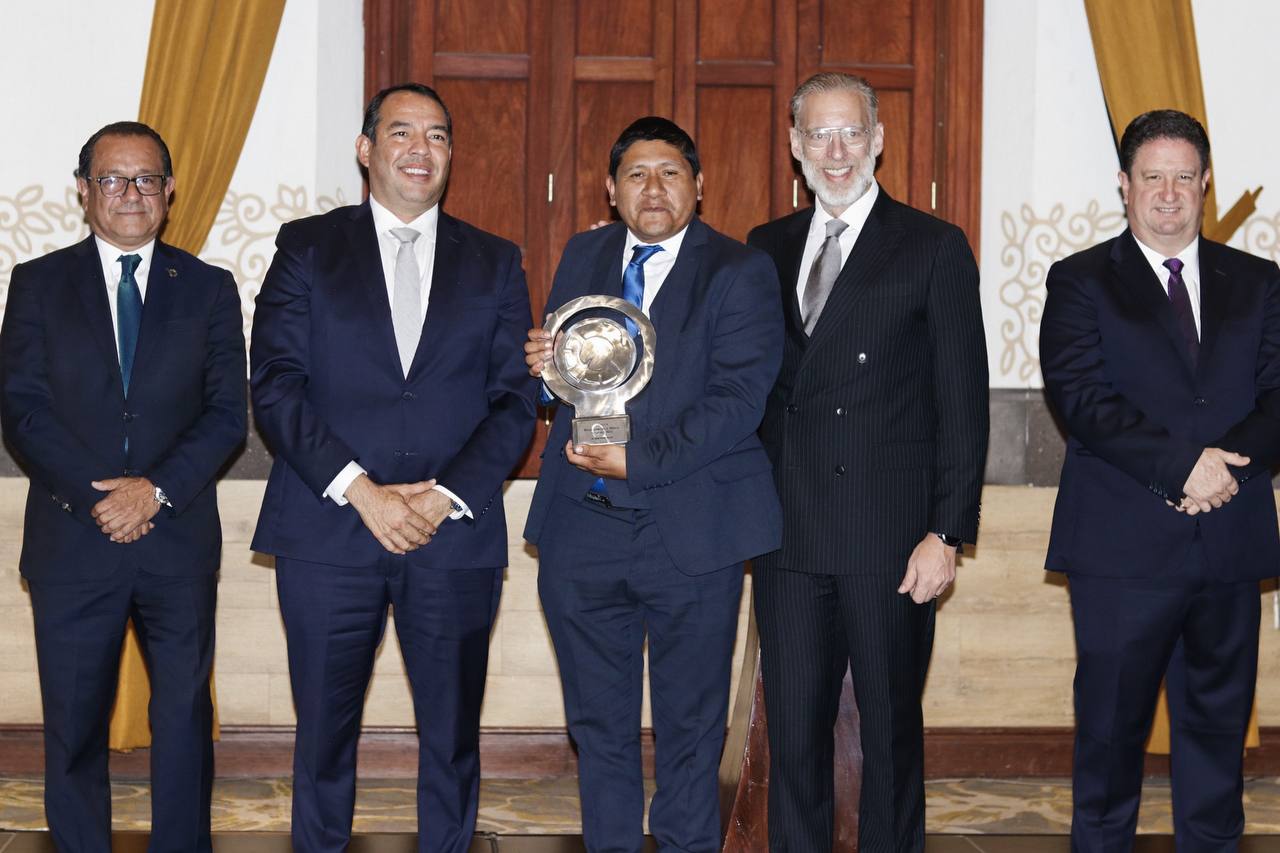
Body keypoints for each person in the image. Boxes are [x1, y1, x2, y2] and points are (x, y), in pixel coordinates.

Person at [249, 83, 536, 853]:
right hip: (327, 531)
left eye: (437, 135)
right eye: (402, 132)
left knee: (452, 738)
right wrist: (362, 491)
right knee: (323, 737)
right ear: (365, 148)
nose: (420, 149)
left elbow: (515, 400)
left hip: (452, 537)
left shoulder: (494, 260)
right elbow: (275, 383)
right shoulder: (307, 247)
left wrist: (444, 496)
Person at [523, 116, 783, 852]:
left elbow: (738, 400)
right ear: (611, 190)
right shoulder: (584, 254)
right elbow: (569, 378)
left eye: (670, 173)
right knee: (597, 724)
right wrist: (543, 370)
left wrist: (638, 459)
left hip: (691, 532)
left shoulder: (739, 269)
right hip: (583, 527)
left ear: (698, 185)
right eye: (636, 174)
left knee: (690, 729)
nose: (654, 188)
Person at [746, 72, 988, 852]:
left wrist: (946, 533)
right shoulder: (765, 245)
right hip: (787, 535)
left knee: (889, 738)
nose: (837, 150)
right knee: (793, 740)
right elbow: (749, 389)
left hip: (891, 539)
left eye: (851, 132)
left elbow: (963, 404)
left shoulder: (932, 245)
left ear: (878, 139)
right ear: (795, 146)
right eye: (819, 134)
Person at [0, 121, 246, 852]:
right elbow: (23, 409)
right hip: (74, 541)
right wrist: (102, 498)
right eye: (112, 179)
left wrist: (154, 491)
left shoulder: (207, 287)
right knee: (74, 727)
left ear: (170, 191)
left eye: (146, 179)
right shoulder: (37, 283)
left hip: (176, 540)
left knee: (183, 723)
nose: (130, 193)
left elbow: (226, 415)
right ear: (84, 191)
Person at [1040, 108, 1280, 851]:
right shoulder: (1081, 280)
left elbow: (1278, 394)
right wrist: (1184, 467)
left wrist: (1221, 471)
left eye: (1184, 177)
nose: (1169, 192)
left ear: (1206, 183)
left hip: (1229, 545)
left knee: (1216, 748)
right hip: (1122, 552)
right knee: (1110, 746)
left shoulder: (1259, 281)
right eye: (1153, 177)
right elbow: (1082, 399)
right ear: (1125, 184)